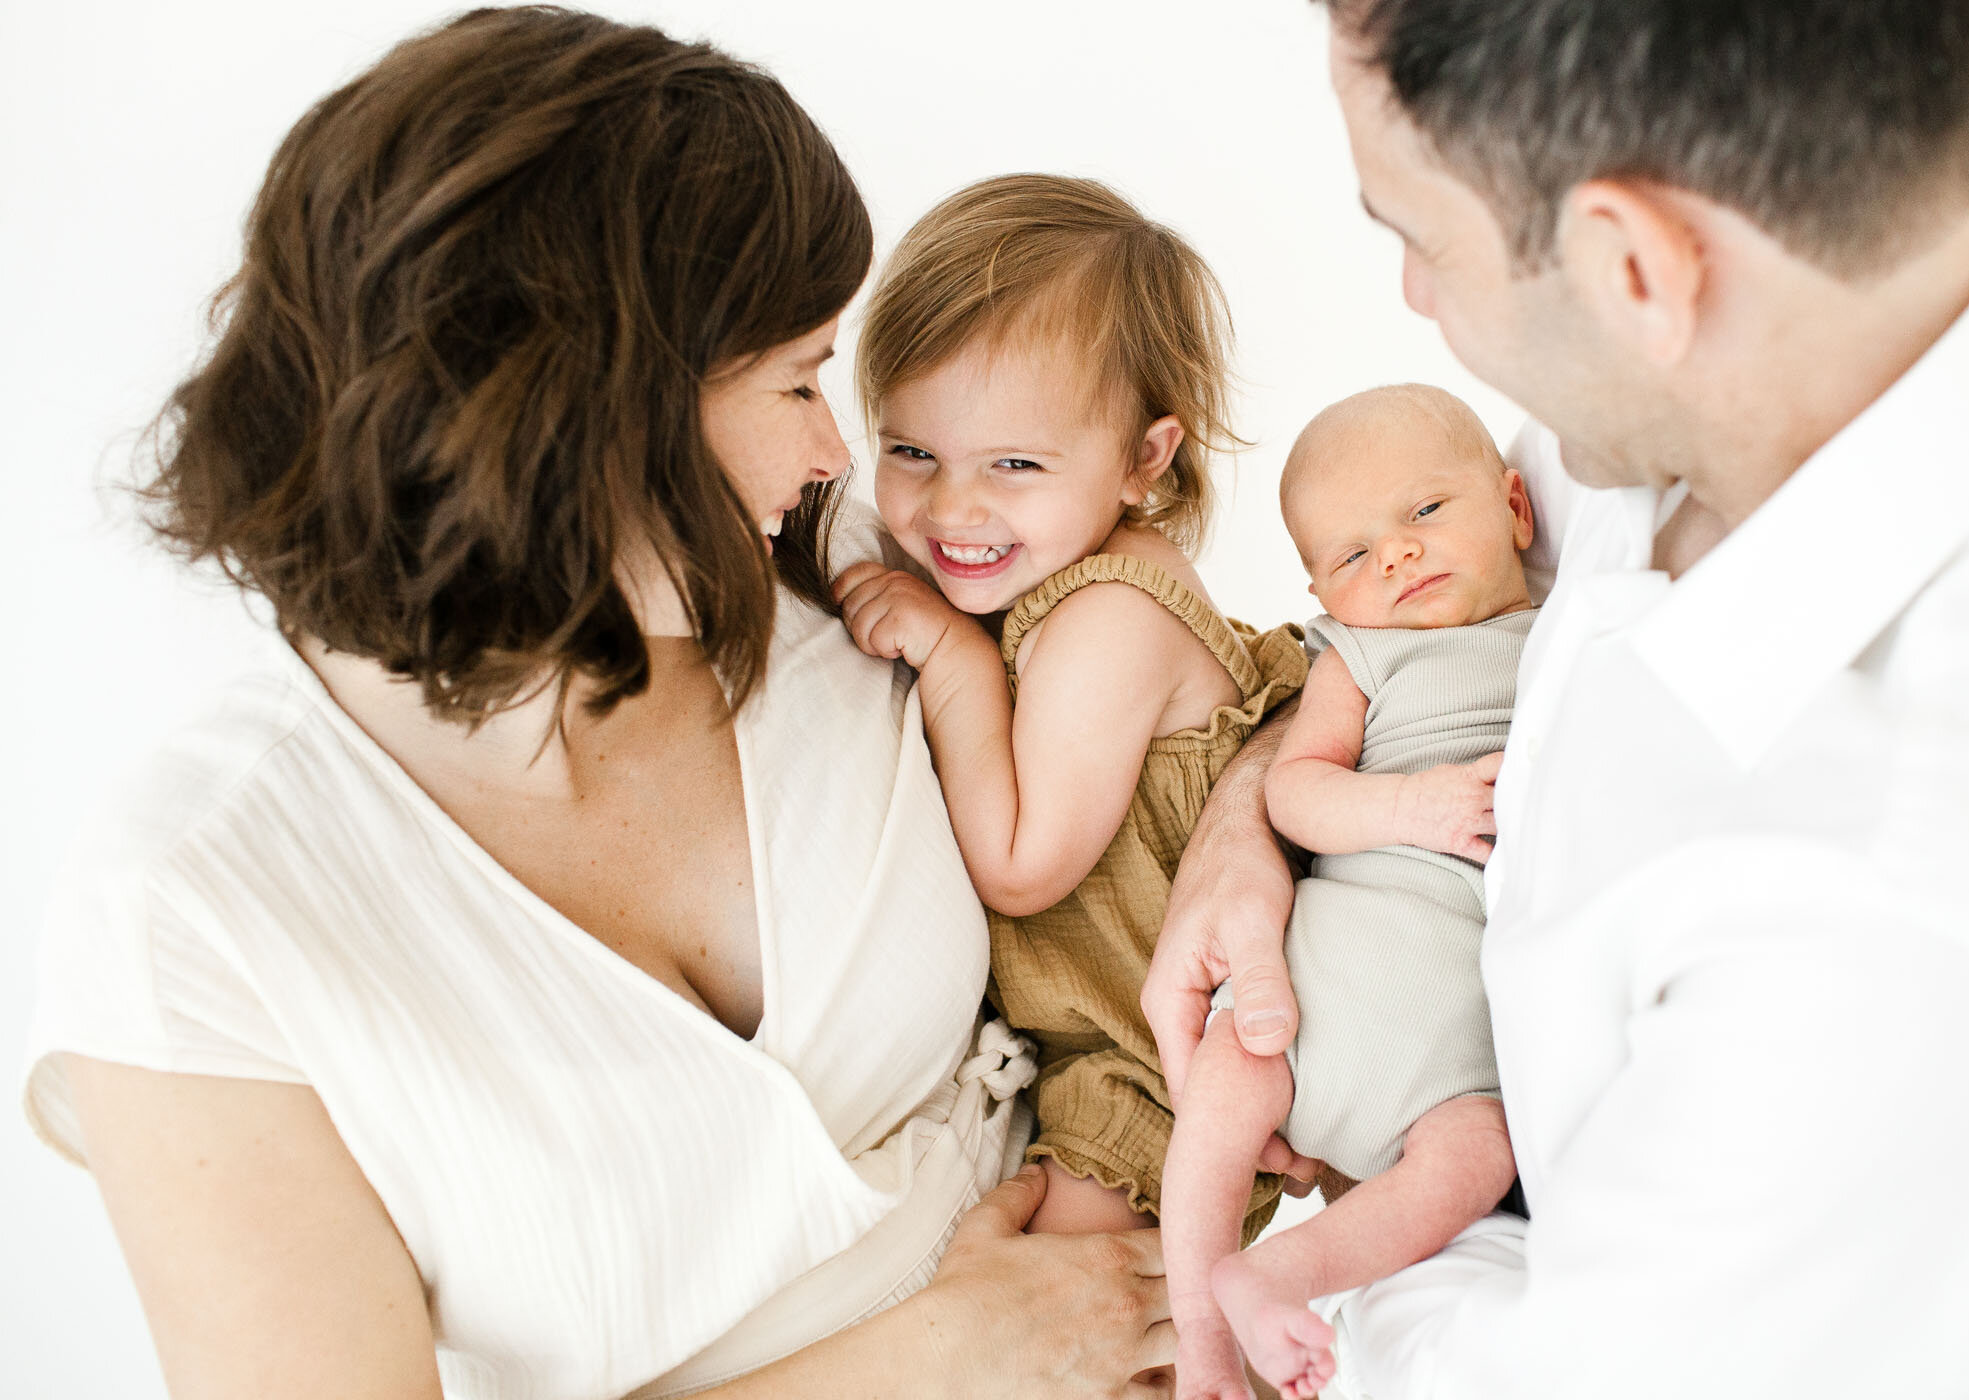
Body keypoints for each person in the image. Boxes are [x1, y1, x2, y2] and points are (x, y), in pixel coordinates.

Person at [20, 11, 1181, 1398]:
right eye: (799, 379)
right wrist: (934, 1362)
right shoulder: (198, 906)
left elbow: (1165, 674)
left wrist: (1235, 851)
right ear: (591, 413)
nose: (834, 455)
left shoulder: (834, 577)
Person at [1142, 1, 1969, 1395]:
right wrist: (1243, 838)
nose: (1412, 295)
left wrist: (1350, 1234)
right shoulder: (1699, 396)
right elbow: (1378, 654)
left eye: (1416, 233)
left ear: (1635, 267)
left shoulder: (1897, 927)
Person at [832, 174, 1309, 1240]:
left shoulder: (1106, 616)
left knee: (1067, 1314)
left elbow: (1019, 860)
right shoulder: (1055, 575)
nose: (953, 506)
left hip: (1157, 1073)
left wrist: (953, 660)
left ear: (1146, 459)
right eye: (912, 451)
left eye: (1014, 464)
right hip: (1090, 1049)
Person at [1163, 385, 1534, 1400]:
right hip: (1325, 978)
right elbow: (1295, 789)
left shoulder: (1559, 637)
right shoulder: (1361, 656)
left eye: (1423, 512)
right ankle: (1200, 1332)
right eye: (1354, 555)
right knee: (1226, 1079)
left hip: (1451, 1057)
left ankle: (1281, 1271)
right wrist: (1412, 808)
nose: (1398, 557)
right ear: (1323, 594)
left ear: (1516, 508)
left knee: (1477, 1159)